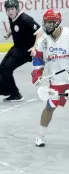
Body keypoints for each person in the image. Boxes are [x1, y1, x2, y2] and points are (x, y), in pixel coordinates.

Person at [0, 0, 43, 102]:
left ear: (17, 9)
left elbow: (40, 31)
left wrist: (35, 47)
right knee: (2, 67)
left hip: (26, 51)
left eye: (12, 9)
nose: (10, 12)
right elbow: (15, 26)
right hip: (17, 47)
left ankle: (9, 93)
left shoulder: (25, 19)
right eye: (8, 10)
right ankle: (3, 93)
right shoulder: (12, 17)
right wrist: (8, 34)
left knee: (6, 68)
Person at [32, 9, 69, 147]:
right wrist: (37, 76)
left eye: (50, 23)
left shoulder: (68, 35)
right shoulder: (43, 41)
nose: (47, 26)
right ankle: (40, 136)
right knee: (49, 107)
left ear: (57, 23)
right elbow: (38, 60)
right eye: (45, 23)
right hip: (57, 82)